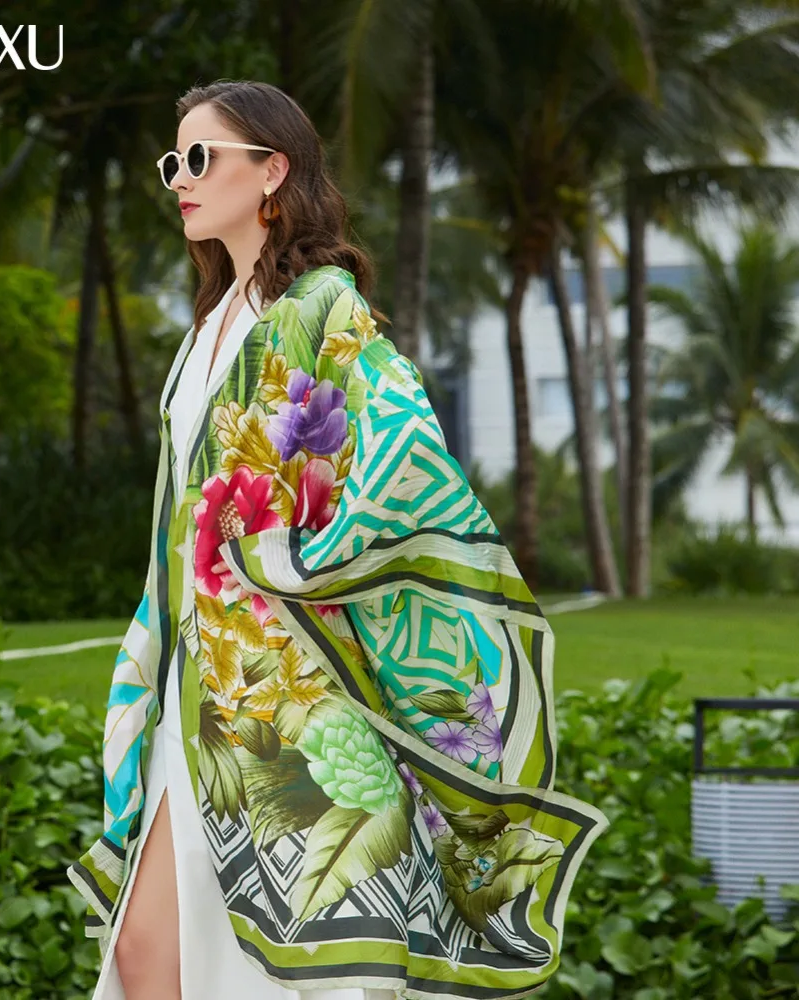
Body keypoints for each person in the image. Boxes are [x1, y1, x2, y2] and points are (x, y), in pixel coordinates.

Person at [67, 80, 608, 1000]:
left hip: (287, 684)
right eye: (173, 162)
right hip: (197, 680)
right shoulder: (207, 326)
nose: (180, 180)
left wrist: (289, 558)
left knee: (295, 968)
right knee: (147, 952)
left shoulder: (323, 306)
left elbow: (405, 451)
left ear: (271, 170)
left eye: (199, 158)